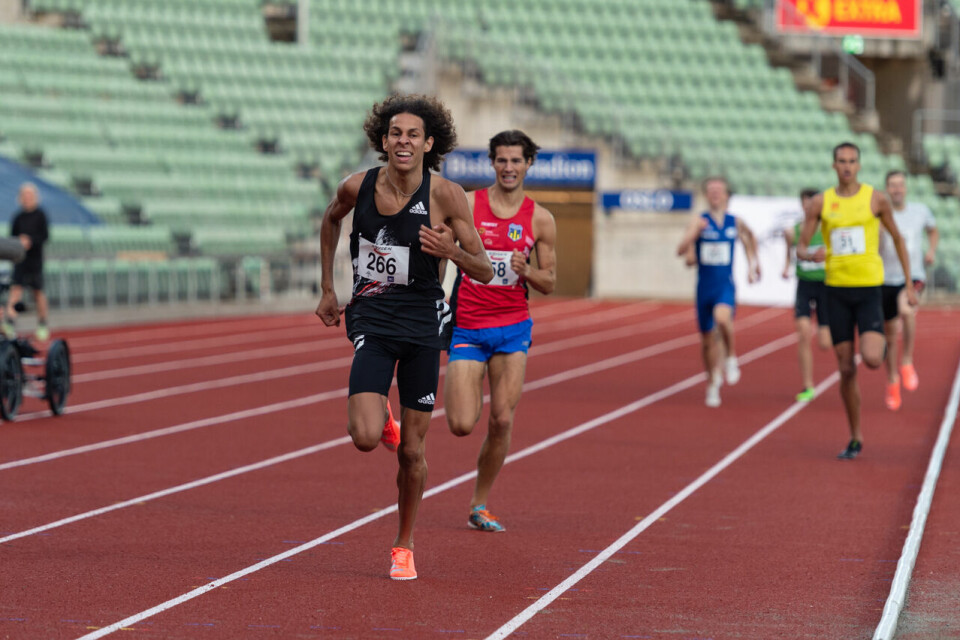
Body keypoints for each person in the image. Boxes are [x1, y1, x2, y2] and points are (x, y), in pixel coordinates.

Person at [314, 94, 493, 580]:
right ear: (383, 140)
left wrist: (452, 250)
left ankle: (403, 544)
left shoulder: (446, 196)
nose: (404, 141)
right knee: (365, 436)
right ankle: (383, 419)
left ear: (429, 143)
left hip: (422, 325)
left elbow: (485, 269)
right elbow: (330, 221)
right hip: (372, 317)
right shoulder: (357, 187)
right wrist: (329, 288)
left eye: (413, 134)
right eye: (396, 133)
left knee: (414, 452)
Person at [443, 130, 557, 533]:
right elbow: (443, 248)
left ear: (528, 165)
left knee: (503, 421)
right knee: (460, 423)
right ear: (492, 162)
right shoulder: (469, 205)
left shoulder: (540, 218)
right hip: (469, 326)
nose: (509, 168)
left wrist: (528, 271)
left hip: (513, 329)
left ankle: (479, 503)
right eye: (502, 160)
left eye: (516, 161)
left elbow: (549, 281)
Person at [797, 143, 917, 460]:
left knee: (873, 359)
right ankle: (855, 436)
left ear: (859, 166)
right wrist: (810, 253)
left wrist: (909, 283)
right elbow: (801, 247)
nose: (847, 166)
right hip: (835, 291)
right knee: (847, 369)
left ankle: (884, 348)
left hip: (868, 289)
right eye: (841, 161)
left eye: (852, 161)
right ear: (833, 165)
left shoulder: (875, 199)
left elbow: (898, 238)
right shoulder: (821, 203)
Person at [676, 176, 760, 408]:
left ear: (726, 195)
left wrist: (754, 264)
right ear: (706, 195)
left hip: (725, 285)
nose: (715, 194)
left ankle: (731, 358)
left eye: (719, 190)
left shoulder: (735, 222)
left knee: (722, 319)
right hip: (704, 288)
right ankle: (712, 382)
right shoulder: (698, 221)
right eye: (711, 190)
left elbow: (750, 238)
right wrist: (693, 237)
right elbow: (681, 251)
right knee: (706, 342)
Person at [878, 170, 938, 411]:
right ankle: (892, 381)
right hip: (885, 279)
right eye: (892, 185)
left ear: (906, 188)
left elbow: (933, 229)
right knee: (890, 336)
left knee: (907, 309)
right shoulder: (881, 214)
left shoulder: (920, 211)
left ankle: (907, 361)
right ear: (887, 189)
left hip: (912, 276)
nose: (897, 189)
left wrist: (931, 250)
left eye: (900, 185)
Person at [782, 188, 832, 401]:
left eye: (813, 203)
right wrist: (785, 267)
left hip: (826, 286)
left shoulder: (829, 230)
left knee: (825, 343)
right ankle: (808, 385)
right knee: (803, 334)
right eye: (805, 203)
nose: (809, 207)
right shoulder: (793, 231)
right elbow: (790, 253)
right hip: (804, 285)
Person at [2, 183, 50, 341]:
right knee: (15, 290)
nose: (27, 198)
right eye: (24, 196)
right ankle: (9, 322)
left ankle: (42, 323)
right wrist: (19, 242)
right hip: (20, 260)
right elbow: (12, 238)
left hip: (35, 260)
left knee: (38, 292)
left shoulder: (41, 215)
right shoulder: (18, 217)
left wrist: (30, 241)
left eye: (29, 196)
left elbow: (45, 236)